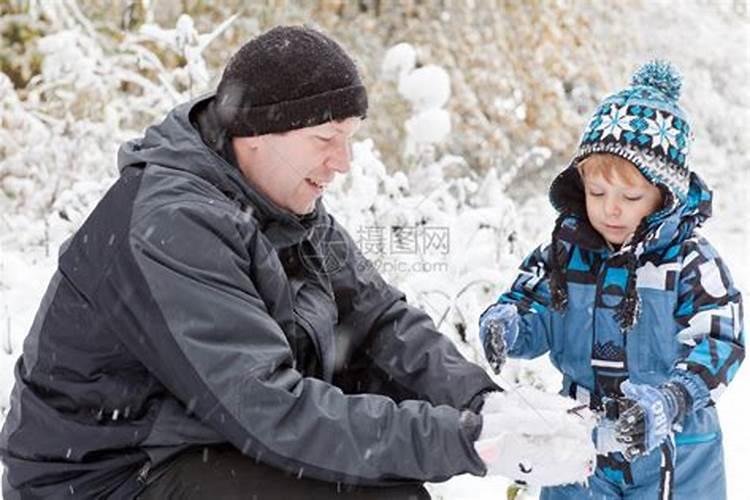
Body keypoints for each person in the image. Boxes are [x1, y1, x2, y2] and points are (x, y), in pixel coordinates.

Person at [0, 25, 594, 499]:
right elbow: (269, 406)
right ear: (260, 130)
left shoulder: (285, 206)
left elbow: (378, 319)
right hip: (106, 476)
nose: (344, 162)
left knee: (389, 488)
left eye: (352, 137)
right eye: (326, 138)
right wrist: (466, 442)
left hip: (194, 440)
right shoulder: (174, 222)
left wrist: (479, 403)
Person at [479, 60, 745, 499]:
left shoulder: (691, 264)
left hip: (674, 450)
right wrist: (508, 323)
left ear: (664, 196)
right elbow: (534, 311)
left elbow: (721, 342)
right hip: (579, 441)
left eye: (631, 196)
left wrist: (673, 397)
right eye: (597, 193)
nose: (611, 209)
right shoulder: (564, 254)